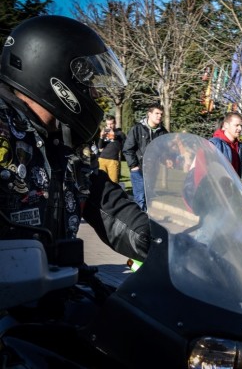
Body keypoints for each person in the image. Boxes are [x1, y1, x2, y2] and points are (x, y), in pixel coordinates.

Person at [0, 15, 150, 271]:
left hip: (55, 293)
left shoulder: (66, 143)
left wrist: (165, 243)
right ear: (52, 73)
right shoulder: (6, 131)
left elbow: (107, 204)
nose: (94, 93)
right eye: (87, 83)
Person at [122, 103, 169, 211]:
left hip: (153, 169)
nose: (159, 116)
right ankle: (141, 224)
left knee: (149, 197)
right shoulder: (137, 129)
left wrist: (167, 159)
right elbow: (127, 149)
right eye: (156, 113)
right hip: (138, 169)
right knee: (141, 197)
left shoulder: (163, 132)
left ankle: (146, 220)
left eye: (161, 114)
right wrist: (134, 166)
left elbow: (165, 150)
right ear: (149, 114)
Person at [209, 112, 242, 177]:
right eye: (236, 125)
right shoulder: (215, 144)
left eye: (241, 125)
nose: (240, 129)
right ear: (226, 125)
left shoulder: (239, 146)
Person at [97, 115, 126, 183]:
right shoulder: (105, 133)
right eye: (108, 124)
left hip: (113, 161)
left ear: (115, 123)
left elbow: (124, 146)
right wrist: (101, 137)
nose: (109, 126)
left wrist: (114, 136)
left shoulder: (120, 134)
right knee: (101, 181)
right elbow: (100, 147)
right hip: (102, 159)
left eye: (111, 124)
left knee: (113, 182)